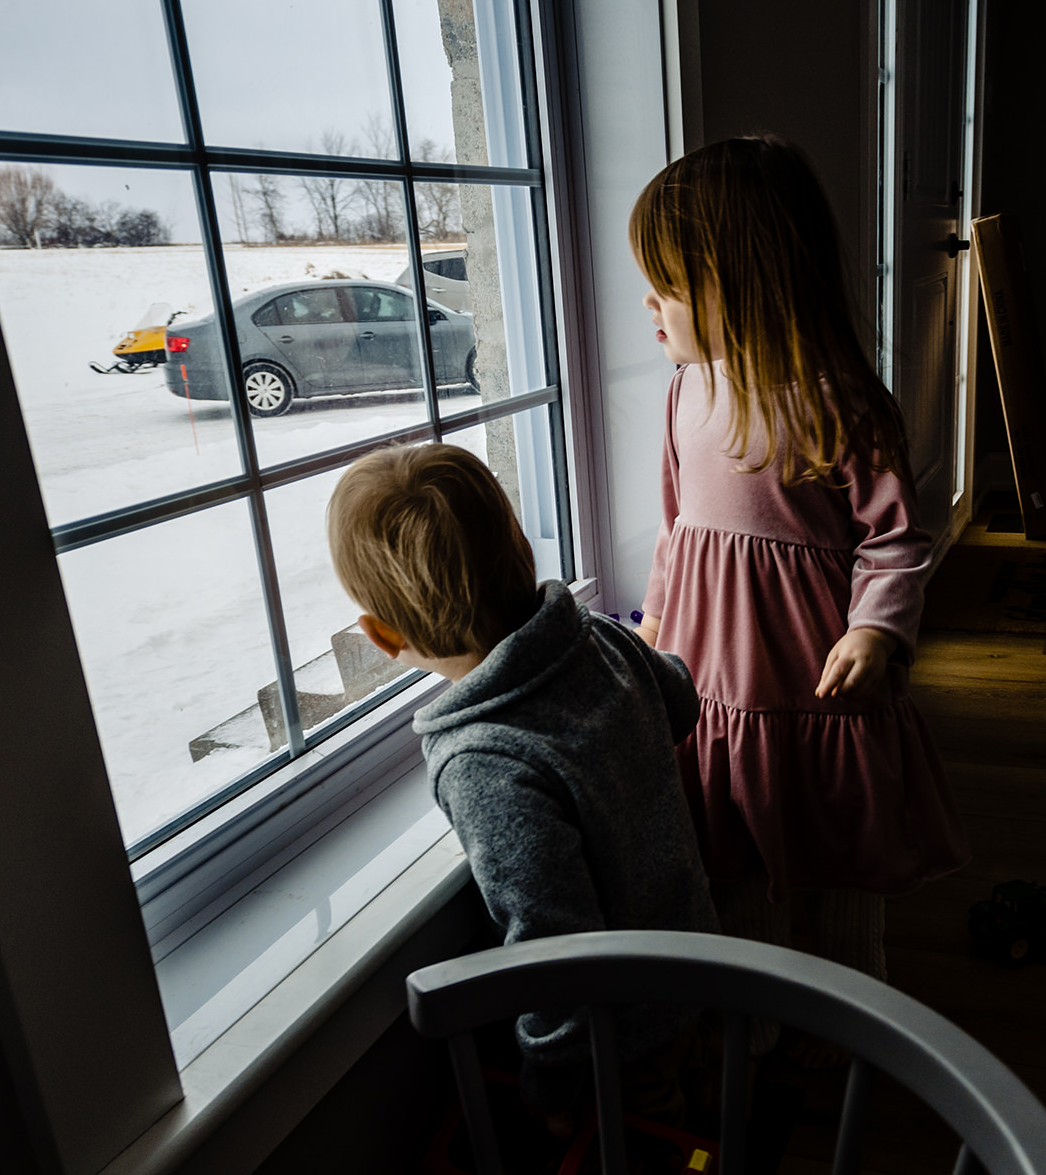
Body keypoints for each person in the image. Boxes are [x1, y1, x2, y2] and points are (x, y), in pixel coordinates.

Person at [629, 136, 970, 1070]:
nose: (647, 307)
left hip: (818, 688)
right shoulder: (681, 395)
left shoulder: (839, 401)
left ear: (741, 281)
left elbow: (896, 537)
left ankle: (859, 1015)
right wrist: (655, 631)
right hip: (714, 688)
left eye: (665, 287)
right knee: (735, 856)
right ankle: (756, 1020)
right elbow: (674, 533)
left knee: (839, 857)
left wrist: (876, 628)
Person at [327, 443, 719, 1125]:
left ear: (382, 636)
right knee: (703, 1108)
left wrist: (550, 1075)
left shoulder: (484, 761)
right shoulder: (595, 636)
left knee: (656, 1134)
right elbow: (679, 699)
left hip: (620, 1038)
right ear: (520, 551)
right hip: (696, 955)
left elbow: (552, 949)